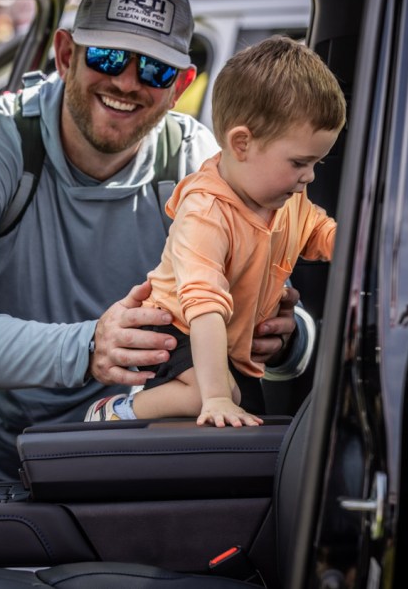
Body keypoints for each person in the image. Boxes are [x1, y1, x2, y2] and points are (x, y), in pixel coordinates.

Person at [0, 0, 311, 482]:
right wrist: (89, 346)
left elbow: (265, 314)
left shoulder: (192, 164)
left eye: (155, 70)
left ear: (180, 86)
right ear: (65, 55)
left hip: (98, 464)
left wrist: (284, 339)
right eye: (108, 56)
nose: (127, 82)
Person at [85, 36, 345, 427]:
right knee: (212, 397)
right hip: (178, 327)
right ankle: (116, 412)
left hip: (228, 337)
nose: (308, 176)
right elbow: (204, 305)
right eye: (298, 163)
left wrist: (358, 245)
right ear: (242, 143)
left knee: (250, 415)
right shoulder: (205, 212)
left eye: (316, 164)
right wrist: (218, 397)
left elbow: (319, 232)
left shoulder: (287, 198)